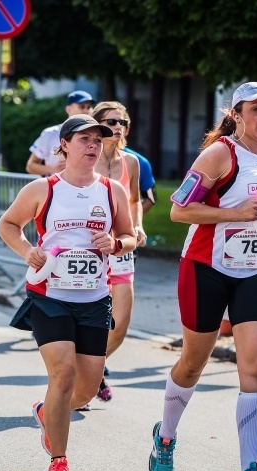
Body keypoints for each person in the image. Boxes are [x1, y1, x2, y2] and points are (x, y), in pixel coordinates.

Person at [147, 82, 257, 471]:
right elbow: (179, 210)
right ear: (235, 114)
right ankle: (166, 436)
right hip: (207, 268)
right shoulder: (219, 154)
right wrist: (234, 213)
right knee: (192, 365)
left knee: (255, 369)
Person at [0, 115, 136, 471]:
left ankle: (48, 412)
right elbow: (8, 224)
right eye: (84, 139)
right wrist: (27, 251)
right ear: (63, 145)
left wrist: (117, 244)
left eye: (97, 140)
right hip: (50, 296)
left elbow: (129, 235)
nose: (92, 145)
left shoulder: (111, 191)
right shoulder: (43, 188)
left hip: (94, 298)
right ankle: (59, 462)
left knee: (87, 389)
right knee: (63, 374)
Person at [90, 101, 145, 403]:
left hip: (121, 249)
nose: (118, 127)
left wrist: (137, 226)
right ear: (98, 124)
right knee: (90, 319)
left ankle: (92, 367)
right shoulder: (87, 158)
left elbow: (134, 201)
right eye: (111, 121)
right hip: (90, 252)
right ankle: (88, 377)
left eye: (122, 122)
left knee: (120, 325)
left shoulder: (131, 162)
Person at [26, 90, 93, 177]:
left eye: (89, 107)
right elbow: (30, 166)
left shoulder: (95, 135)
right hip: (54, 185)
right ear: (68, 109)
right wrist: (53, 169)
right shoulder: (50, 133)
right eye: (82, 106)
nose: (86, 111)